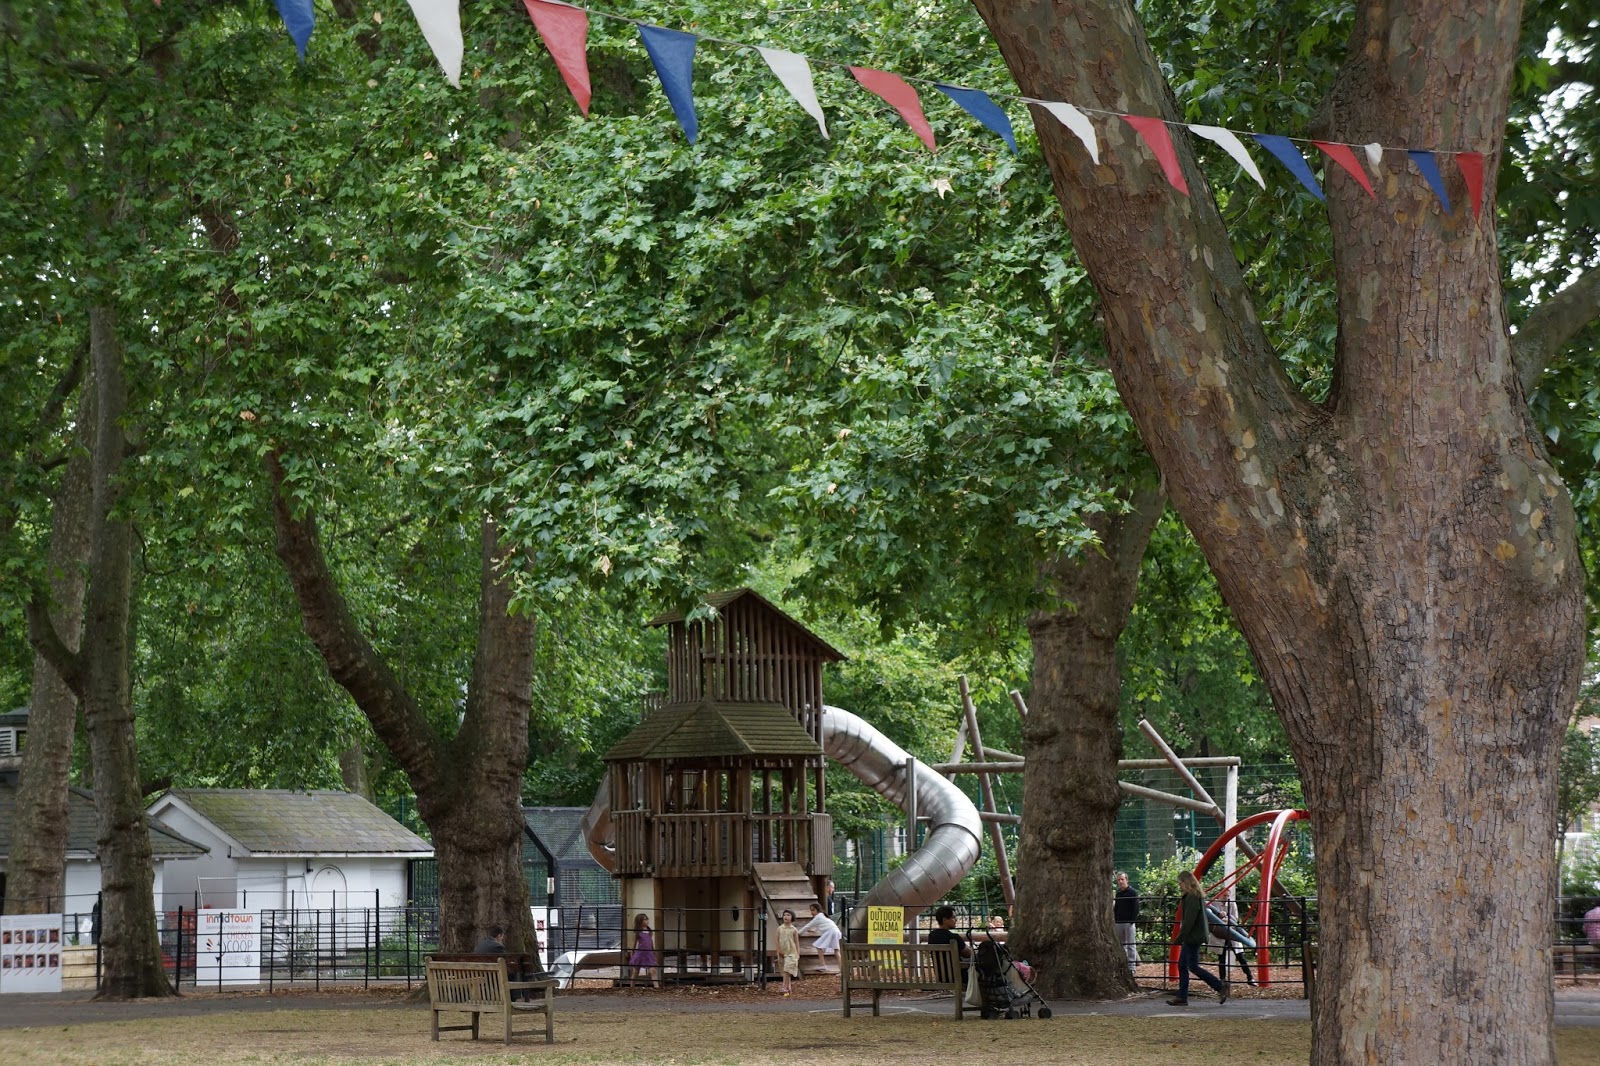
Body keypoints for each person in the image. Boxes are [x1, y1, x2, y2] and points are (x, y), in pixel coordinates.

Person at [1168, 870, 1228, 1007]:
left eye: (1180, 883)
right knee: (1183, 965)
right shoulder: (1195, 896)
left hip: (1192, 936)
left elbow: (1189, 921)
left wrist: (1179, 937)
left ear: (1186, 882)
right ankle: (1182, 996)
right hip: (1193, 935)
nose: (1179, 886)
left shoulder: (1192, 897)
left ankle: (1219, 986)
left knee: (1192, 966)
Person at [927, 905, 971, 987]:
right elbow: (969, 954)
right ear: (944, 920)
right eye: (953, 917)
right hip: (958, 976)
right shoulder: (954, 937)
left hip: (941, 976)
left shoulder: (931, 936)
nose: (956, 920)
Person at [799, 903, 841, 972]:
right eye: (811, 910)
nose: (812, 912)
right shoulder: (823, 916)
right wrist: (814, 929)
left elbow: (808, 926)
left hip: (831, 932)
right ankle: (842, 970)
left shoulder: (818, 917)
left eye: (813, 910)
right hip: (836, 931)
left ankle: (823, 965)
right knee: (836, 951)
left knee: (818, 946)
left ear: (817, 910)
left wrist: (799, 933)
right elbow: (823, 924)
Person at [1114, 871, 1140, 971]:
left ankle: (1131, 967)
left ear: (1126, 880)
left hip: (1129, 923)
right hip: (1119, 922)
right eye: (1118, 880)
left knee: (1131, 945)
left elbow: (1136, 907)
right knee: (1121, 945)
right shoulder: (1118, 893)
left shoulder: (1133, 892)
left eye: (1122, 879)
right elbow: (1116, 907)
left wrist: (1132, 921)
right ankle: (1123, 965)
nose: (1120, 882)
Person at [628, 913, 659, 988]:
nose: (647, 921)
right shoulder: (638, 932)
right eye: (645, 919)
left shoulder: (649, 931)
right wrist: (632, 953)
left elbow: (651, 941)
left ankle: (656, 987)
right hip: (640, 953)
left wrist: (653, 951)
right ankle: (632, 987)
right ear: (640, 921)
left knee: (653, 970)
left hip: (649, 953)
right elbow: (634, 943)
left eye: (647, 919)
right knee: (636, 971)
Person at [776, 910, 801, 994]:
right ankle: (788, 986)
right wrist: (779, 950)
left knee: (788, 967)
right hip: (783, 951)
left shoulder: (794, 929)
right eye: (784, 915)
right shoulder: (780, 928)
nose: (786, 917)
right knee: (785, 969)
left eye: (788, 915)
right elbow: (777, 940)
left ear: (792, 917)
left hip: (791, 952)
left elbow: (796, 942)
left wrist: (798, 953)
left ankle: (784, 986)